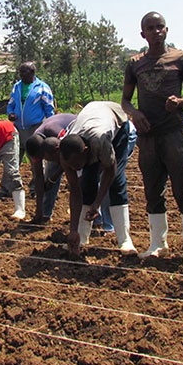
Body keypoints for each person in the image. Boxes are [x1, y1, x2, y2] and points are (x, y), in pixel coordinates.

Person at [121, 11, 183, 265]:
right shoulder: (135, 64)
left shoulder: (180, 58)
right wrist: (134, 114)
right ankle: (158, 243)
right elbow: (125, 100)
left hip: (174, 133)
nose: (156, 31)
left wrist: (180, 102)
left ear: (167, 30)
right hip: (148, 137)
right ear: (142, 34)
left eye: (160, 27)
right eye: (150, 28)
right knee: (152, 190)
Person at [58, 101, 136, 257]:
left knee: (116, 183)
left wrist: (97, 203)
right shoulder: (65, 153)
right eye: (72, 166)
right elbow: (75, 191)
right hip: (92, 118)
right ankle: (80, 237)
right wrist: (72, 231)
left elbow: (110, 170)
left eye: (77, 164)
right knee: (87, 182)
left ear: (86, 152)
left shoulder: (100, 139)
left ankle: (125, 240)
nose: (76, 168)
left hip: (117, 123)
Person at [0, 61, 55, 199]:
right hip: (17, 128)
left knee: (35, 160)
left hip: (34, 129)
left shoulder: (42, 88)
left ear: (32, 73)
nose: (21, 74)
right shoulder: (16, 87)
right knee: (12, 159)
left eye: (24, 72)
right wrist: (10, 113)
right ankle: (6, 189)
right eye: (20, 72)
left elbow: (49, 109)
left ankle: (36, 188)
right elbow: (11, 104)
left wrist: (49, 126)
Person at [24, 113, 76, 224]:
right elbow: (39, 176)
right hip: (55, 147)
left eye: (43, 157)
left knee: (78, 181)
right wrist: (38, 211)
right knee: (49, 175)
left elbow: (68, 158)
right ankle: (44, 215)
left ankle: (88, 218)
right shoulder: (35, 143)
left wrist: (53, 178)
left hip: (74, 136)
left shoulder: (54, 132)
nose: (42, 159)